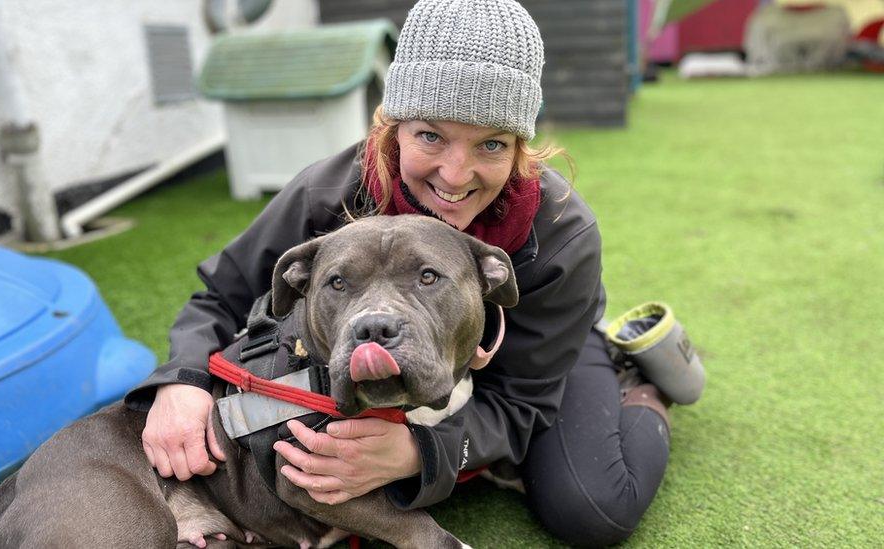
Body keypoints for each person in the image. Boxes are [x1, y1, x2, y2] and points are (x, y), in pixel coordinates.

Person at [125, 0, 687, 545]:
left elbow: (523, 398)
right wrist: (183, 381)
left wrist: (421, 450)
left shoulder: (561, 233)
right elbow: (221, 295)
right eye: (431, 136)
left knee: (592, 509)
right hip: (393, 354)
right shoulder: (328, 193)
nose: (455, 173)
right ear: (394, 127)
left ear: (520, 147)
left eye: (491, 143)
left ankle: (636, 384)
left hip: (528, 359)